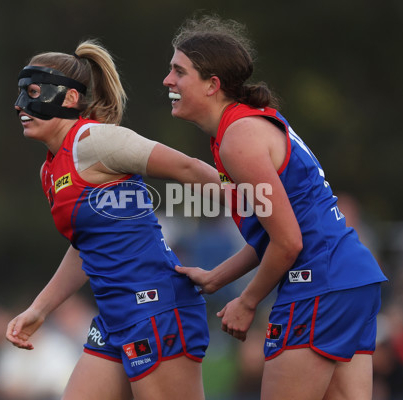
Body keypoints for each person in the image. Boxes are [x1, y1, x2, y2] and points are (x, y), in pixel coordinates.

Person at [165, 16, 388, 399]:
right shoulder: (245, 127)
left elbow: (288, 242)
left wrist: (247, 302)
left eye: (178, 71)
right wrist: (218, 277)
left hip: (319, 283)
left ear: (212, 85)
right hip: (351, 278)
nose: (168, 80)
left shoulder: (239, 139)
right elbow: (276, 234)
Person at [6, 39, 221, 400]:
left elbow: (192, 168)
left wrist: (266, 209)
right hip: (114, 316)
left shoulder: (93, 141)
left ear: (70, 98)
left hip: (156, 309)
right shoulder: (50, 169)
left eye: (32, 92)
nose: (19, 106)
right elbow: (85, 248)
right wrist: (39, 310)